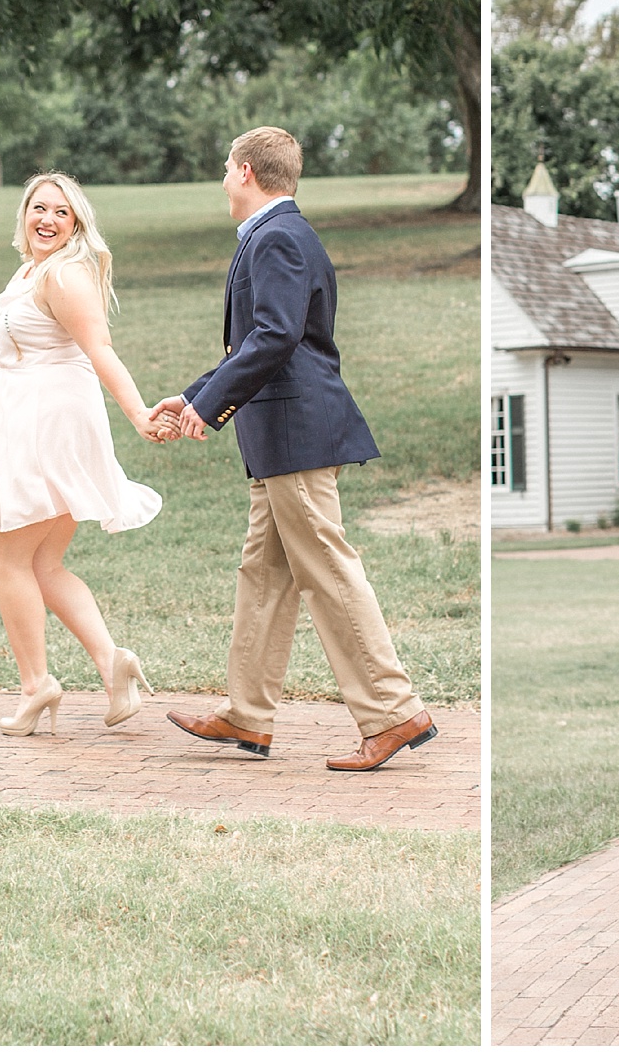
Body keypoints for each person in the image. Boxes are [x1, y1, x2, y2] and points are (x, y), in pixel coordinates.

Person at [149, 126, 437, 772]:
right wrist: (195, 395)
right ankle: (247, 713)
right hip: (278, 433)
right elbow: (259, 343)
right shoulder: (276, 235)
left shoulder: (277, 238)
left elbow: (277, 338)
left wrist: (207, 407)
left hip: (296, 431)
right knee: (264, 573)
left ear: (248, 172)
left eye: (227, 168)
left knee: (328, 570)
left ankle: (393, 712)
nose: (223, 180)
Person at [0, 171, 177, 737]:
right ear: (25, 215)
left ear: (76, 224)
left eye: (62, 213)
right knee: (42, 563)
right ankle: (113, 661)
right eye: (40, 208)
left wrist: (138, 415)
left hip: (45, 424)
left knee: (8, 560)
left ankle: (37, 686)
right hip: (28, 418)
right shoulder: (29, 271)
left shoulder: (64, 275)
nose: (48, 219)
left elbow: (100, 350)